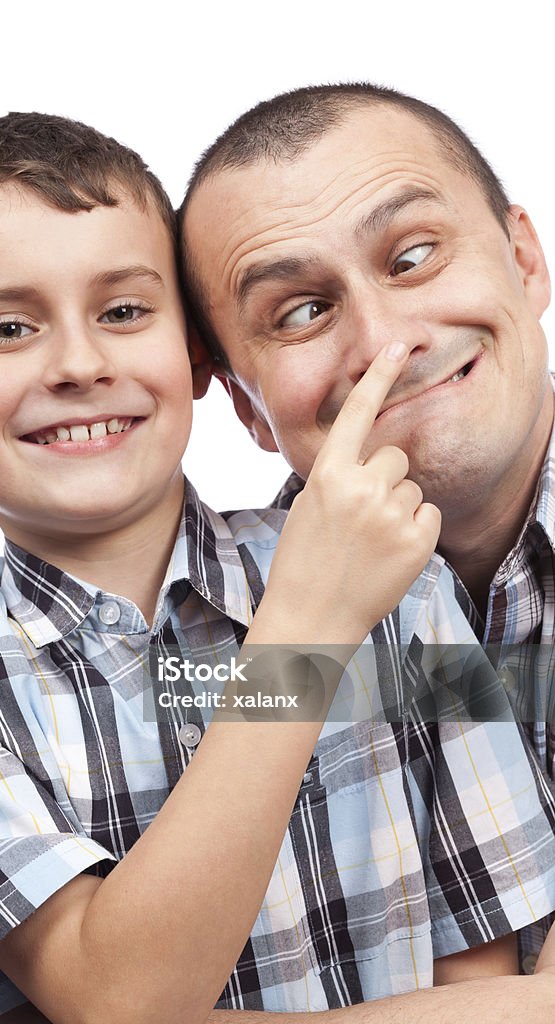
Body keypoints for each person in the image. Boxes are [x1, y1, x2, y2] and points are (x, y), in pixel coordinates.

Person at [0, 111, 552, 1024]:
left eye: (122, 311)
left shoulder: (399, 586)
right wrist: (305, 638)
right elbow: (118, 999)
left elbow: (495, 987)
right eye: (6, 328)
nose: (78, 362)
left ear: (192, 357)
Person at [178, 82, 555, 1015]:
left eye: (414, 256)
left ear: (524, 259)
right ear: (244, 409)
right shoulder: (189, 647)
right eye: (300, 311)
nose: (383, 340)